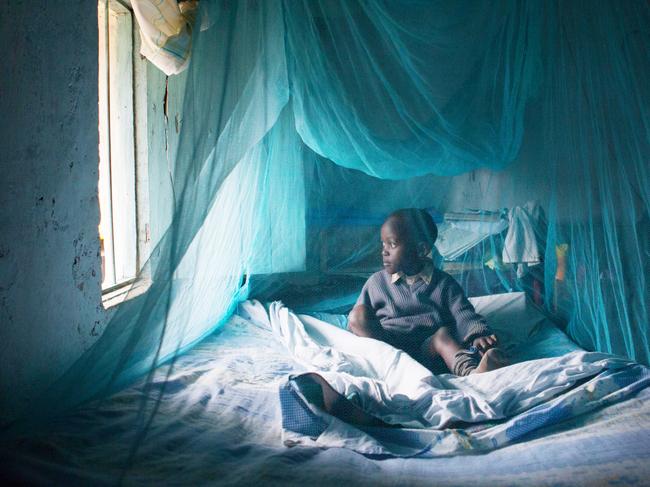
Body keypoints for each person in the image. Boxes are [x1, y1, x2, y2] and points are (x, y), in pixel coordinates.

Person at [348, 208, 507, 376]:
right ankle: (381, 370)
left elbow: (464, 315)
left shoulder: (444, 284)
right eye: (383, 244)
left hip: (428, 351)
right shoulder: (376, 283)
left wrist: (479, 335)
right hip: (389, 349)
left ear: (421, 250)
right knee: (358, 315)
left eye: (392, 244)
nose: (384, 251)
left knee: (443, 336)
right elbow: (359, 325)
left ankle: (472, 373)